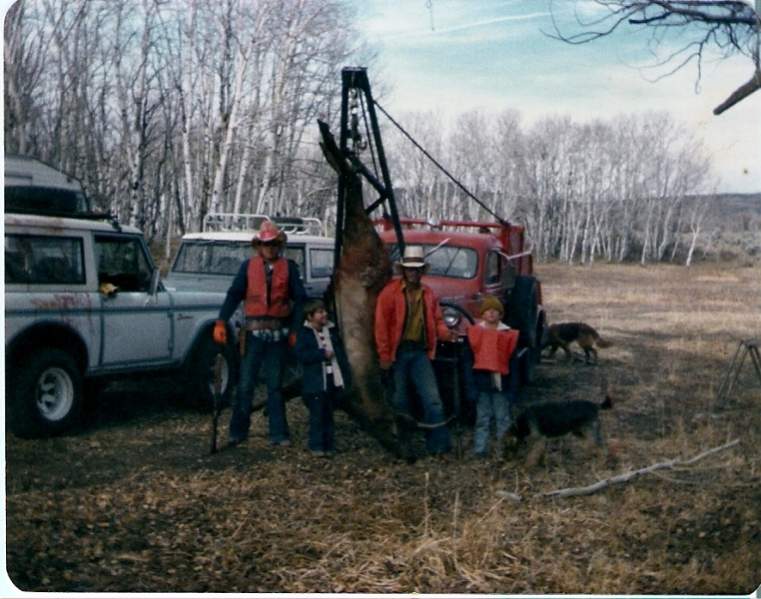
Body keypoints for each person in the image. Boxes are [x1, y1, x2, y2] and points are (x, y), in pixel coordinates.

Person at [212, 220, 306, 447]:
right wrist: (221, 321)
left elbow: (301, 300)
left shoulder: (289, 268)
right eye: (266, 244)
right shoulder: (247, 267)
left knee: (274, 385)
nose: (270, 248)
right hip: (252, 335)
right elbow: (234, 294)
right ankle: (238, 432)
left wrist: (295, 329)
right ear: (259, 246)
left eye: (274, 244)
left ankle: (278, 433)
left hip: (278, 335)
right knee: (245, 384)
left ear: (279, 245)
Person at [374, 245, 458, 456]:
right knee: (400, 401)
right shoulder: (390, 293)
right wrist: (384, 355)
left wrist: (447, 334)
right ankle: (402, 447)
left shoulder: (428, 294)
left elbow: (437, 321)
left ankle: (438, 446)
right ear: (403, 271)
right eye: (409, 269)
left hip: (420, 353)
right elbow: (381, 326)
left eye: (417, 269)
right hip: (398, 353)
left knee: (433, 400)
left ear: (422, 272)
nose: (413, 273)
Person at [464, 295, 520, 457]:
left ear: (501, 314)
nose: (491, 313)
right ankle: (480, 449)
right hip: (481, 382)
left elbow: (513, 364)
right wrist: (470, 386)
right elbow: (468, 362)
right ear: (482, 314)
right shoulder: (474, 334)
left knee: (503, 418)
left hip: (502, 384)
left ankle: (504, 450)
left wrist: (513, 387)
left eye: (495, 311)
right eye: (488, 310)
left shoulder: (508, 335)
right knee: (482, 418)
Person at [295, 299, 351, 457]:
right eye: (320, 312)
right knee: (317, 414)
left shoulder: (331, 331)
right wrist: (321, 354)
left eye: (324, 311)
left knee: (328, 413)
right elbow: (301, 355)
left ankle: (329, 444)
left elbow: (339, 352)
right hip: (315, 381)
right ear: (310, 316)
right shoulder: (305, 334)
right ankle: (316, 445)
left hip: (331, 378)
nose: (324, 314)